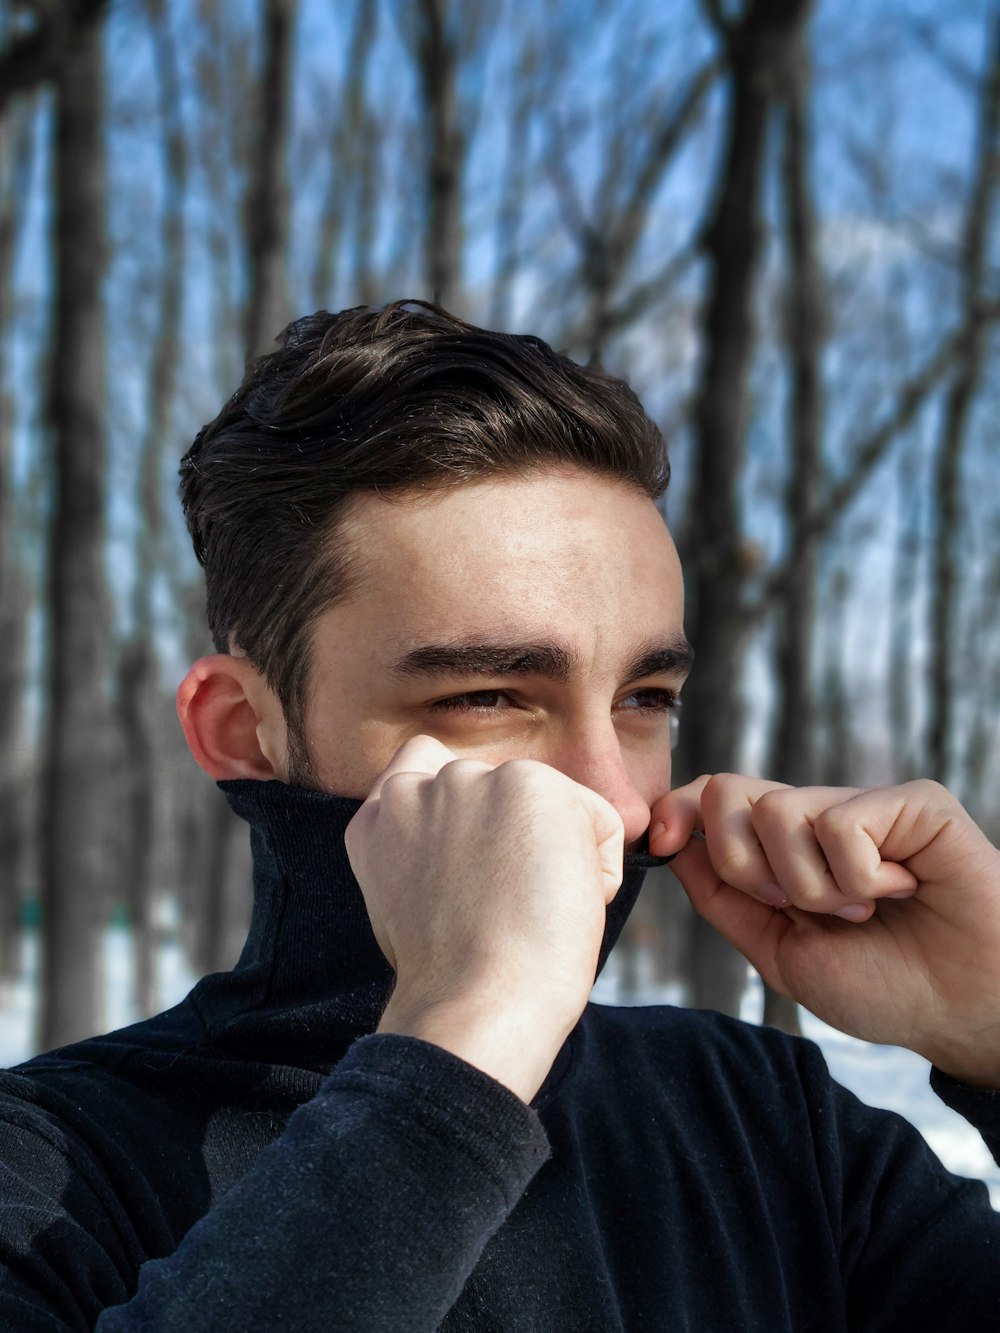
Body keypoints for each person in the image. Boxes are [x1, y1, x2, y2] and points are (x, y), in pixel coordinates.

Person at [0, 301, 998, 1331]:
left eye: (645, 698)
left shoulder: (765, 1120)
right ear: (243, 729)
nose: (614, 798)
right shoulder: (43, 1168)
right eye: (487, 696)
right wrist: (459, 1046)